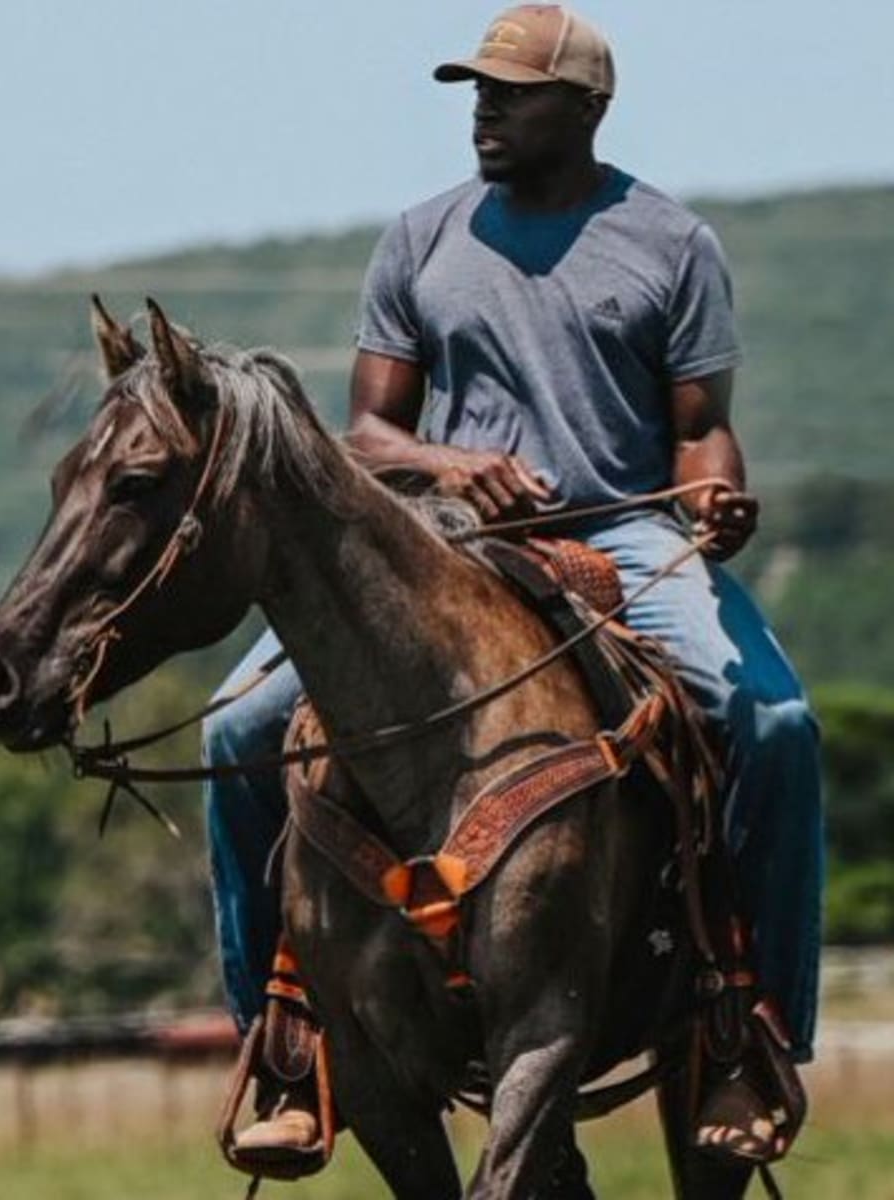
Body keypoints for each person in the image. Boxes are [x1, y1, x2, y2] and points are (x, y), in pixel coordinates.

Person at [204, 3, 822, 1164]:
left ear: (585, 108)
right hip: (437, 537)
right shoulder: (422, 238)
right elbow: (371, 433)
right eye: (475, 90)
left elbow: (703, 431)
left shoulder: (670, 243)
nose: (483, 110)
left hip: (624, 534)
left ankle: (753, 1026)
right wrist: (450, 464)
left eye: (510, 91)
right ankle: (288, 1037)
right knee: (241, 727)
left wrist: (716, 497)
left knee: (774, 723)